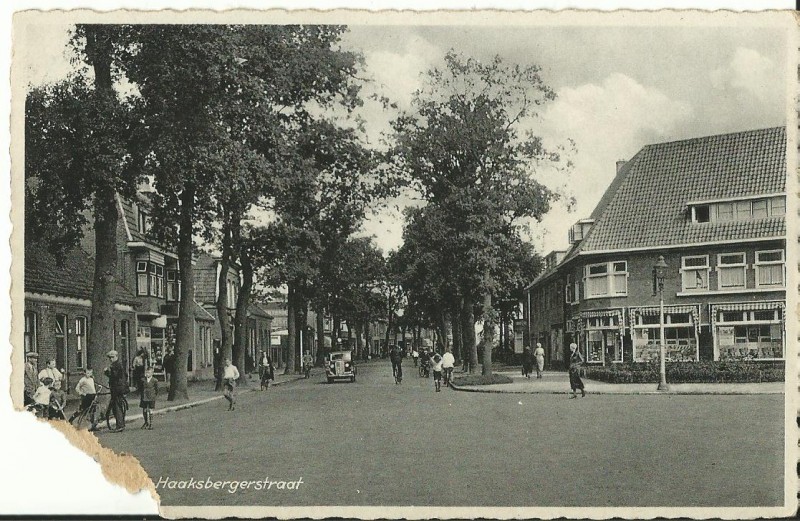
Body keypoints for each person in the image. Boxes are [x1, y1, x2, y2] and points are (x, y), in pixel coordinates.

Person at [104, 350, 128, 432]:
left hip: (117, 389)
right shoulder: (117, 365)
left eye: (112, 357)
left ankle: (120, 425)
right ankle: (120, 424)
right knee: (116, 406)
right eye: (110, 357)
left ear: (116, 357)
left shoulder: (116, 365)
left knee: (117, 407)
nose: (111, 359)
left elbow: (114, 376)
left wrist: (107, 372)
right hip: (117, 388)